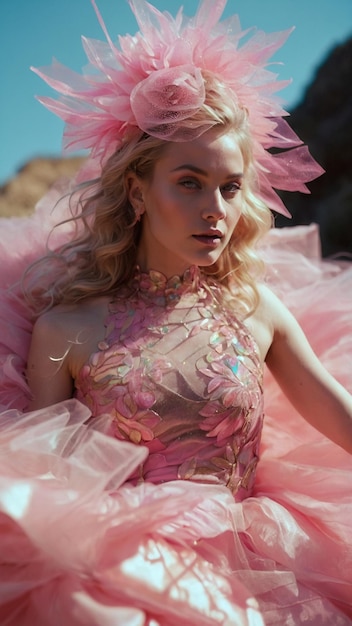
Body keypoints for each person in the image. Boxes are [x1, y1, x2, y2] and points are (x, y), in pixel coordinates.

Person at [0, 1, 351, 624]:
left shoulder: (256, 308)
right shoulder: (64, 330)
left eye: (230, 186)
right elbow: (43, 475)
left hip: (262, 567)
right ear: (138, 190)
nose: (215, 208)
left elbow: (336, 413)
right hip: (119, 575)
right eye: (189, 181)